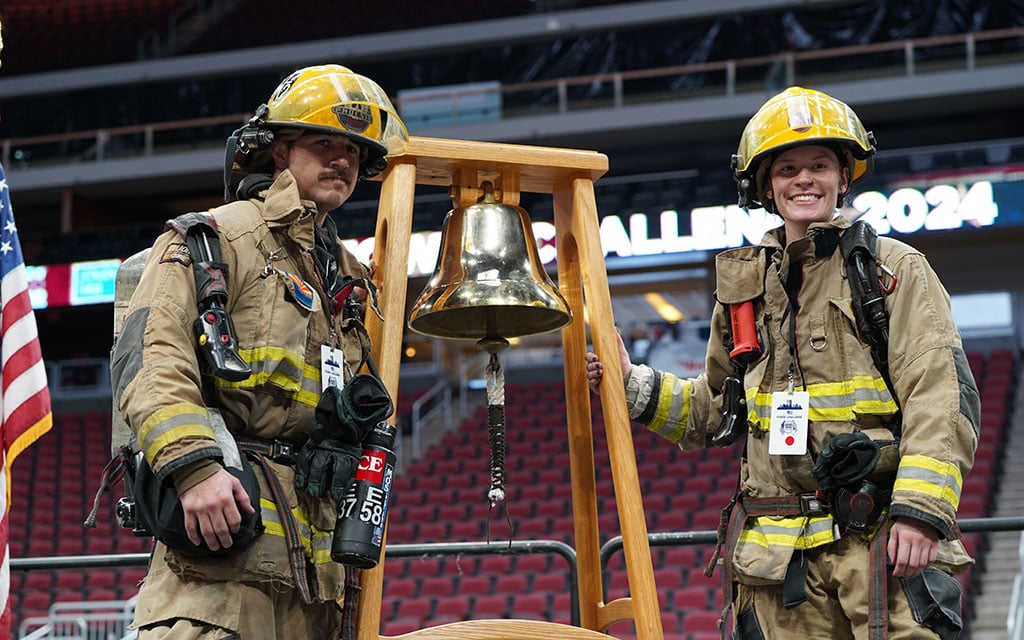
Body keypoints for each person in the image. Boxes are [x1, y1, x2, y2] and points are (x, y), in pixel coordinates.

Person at [586, 86, 979, 639]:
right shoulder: (745, 289)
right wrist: (631, 384)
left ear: (845, 176)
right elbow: (714, 412)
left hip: (878, 547)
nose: (803, 179)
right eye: (786, 168)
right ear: (764, 187)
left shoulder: (894, 269)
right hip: (779, 566)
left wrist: (918, 511)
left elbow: (940, 397)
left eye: (819, 164)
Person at [110, 64, 409, 639]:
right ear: (278, 153)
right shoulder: (214, 239)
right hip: (217, 574)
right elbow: (148, 359)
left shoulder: (347, 275)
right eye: (323, 143)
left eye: (353, 150)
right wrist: (195, 469)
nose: (341, 160)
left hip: (316, 579)